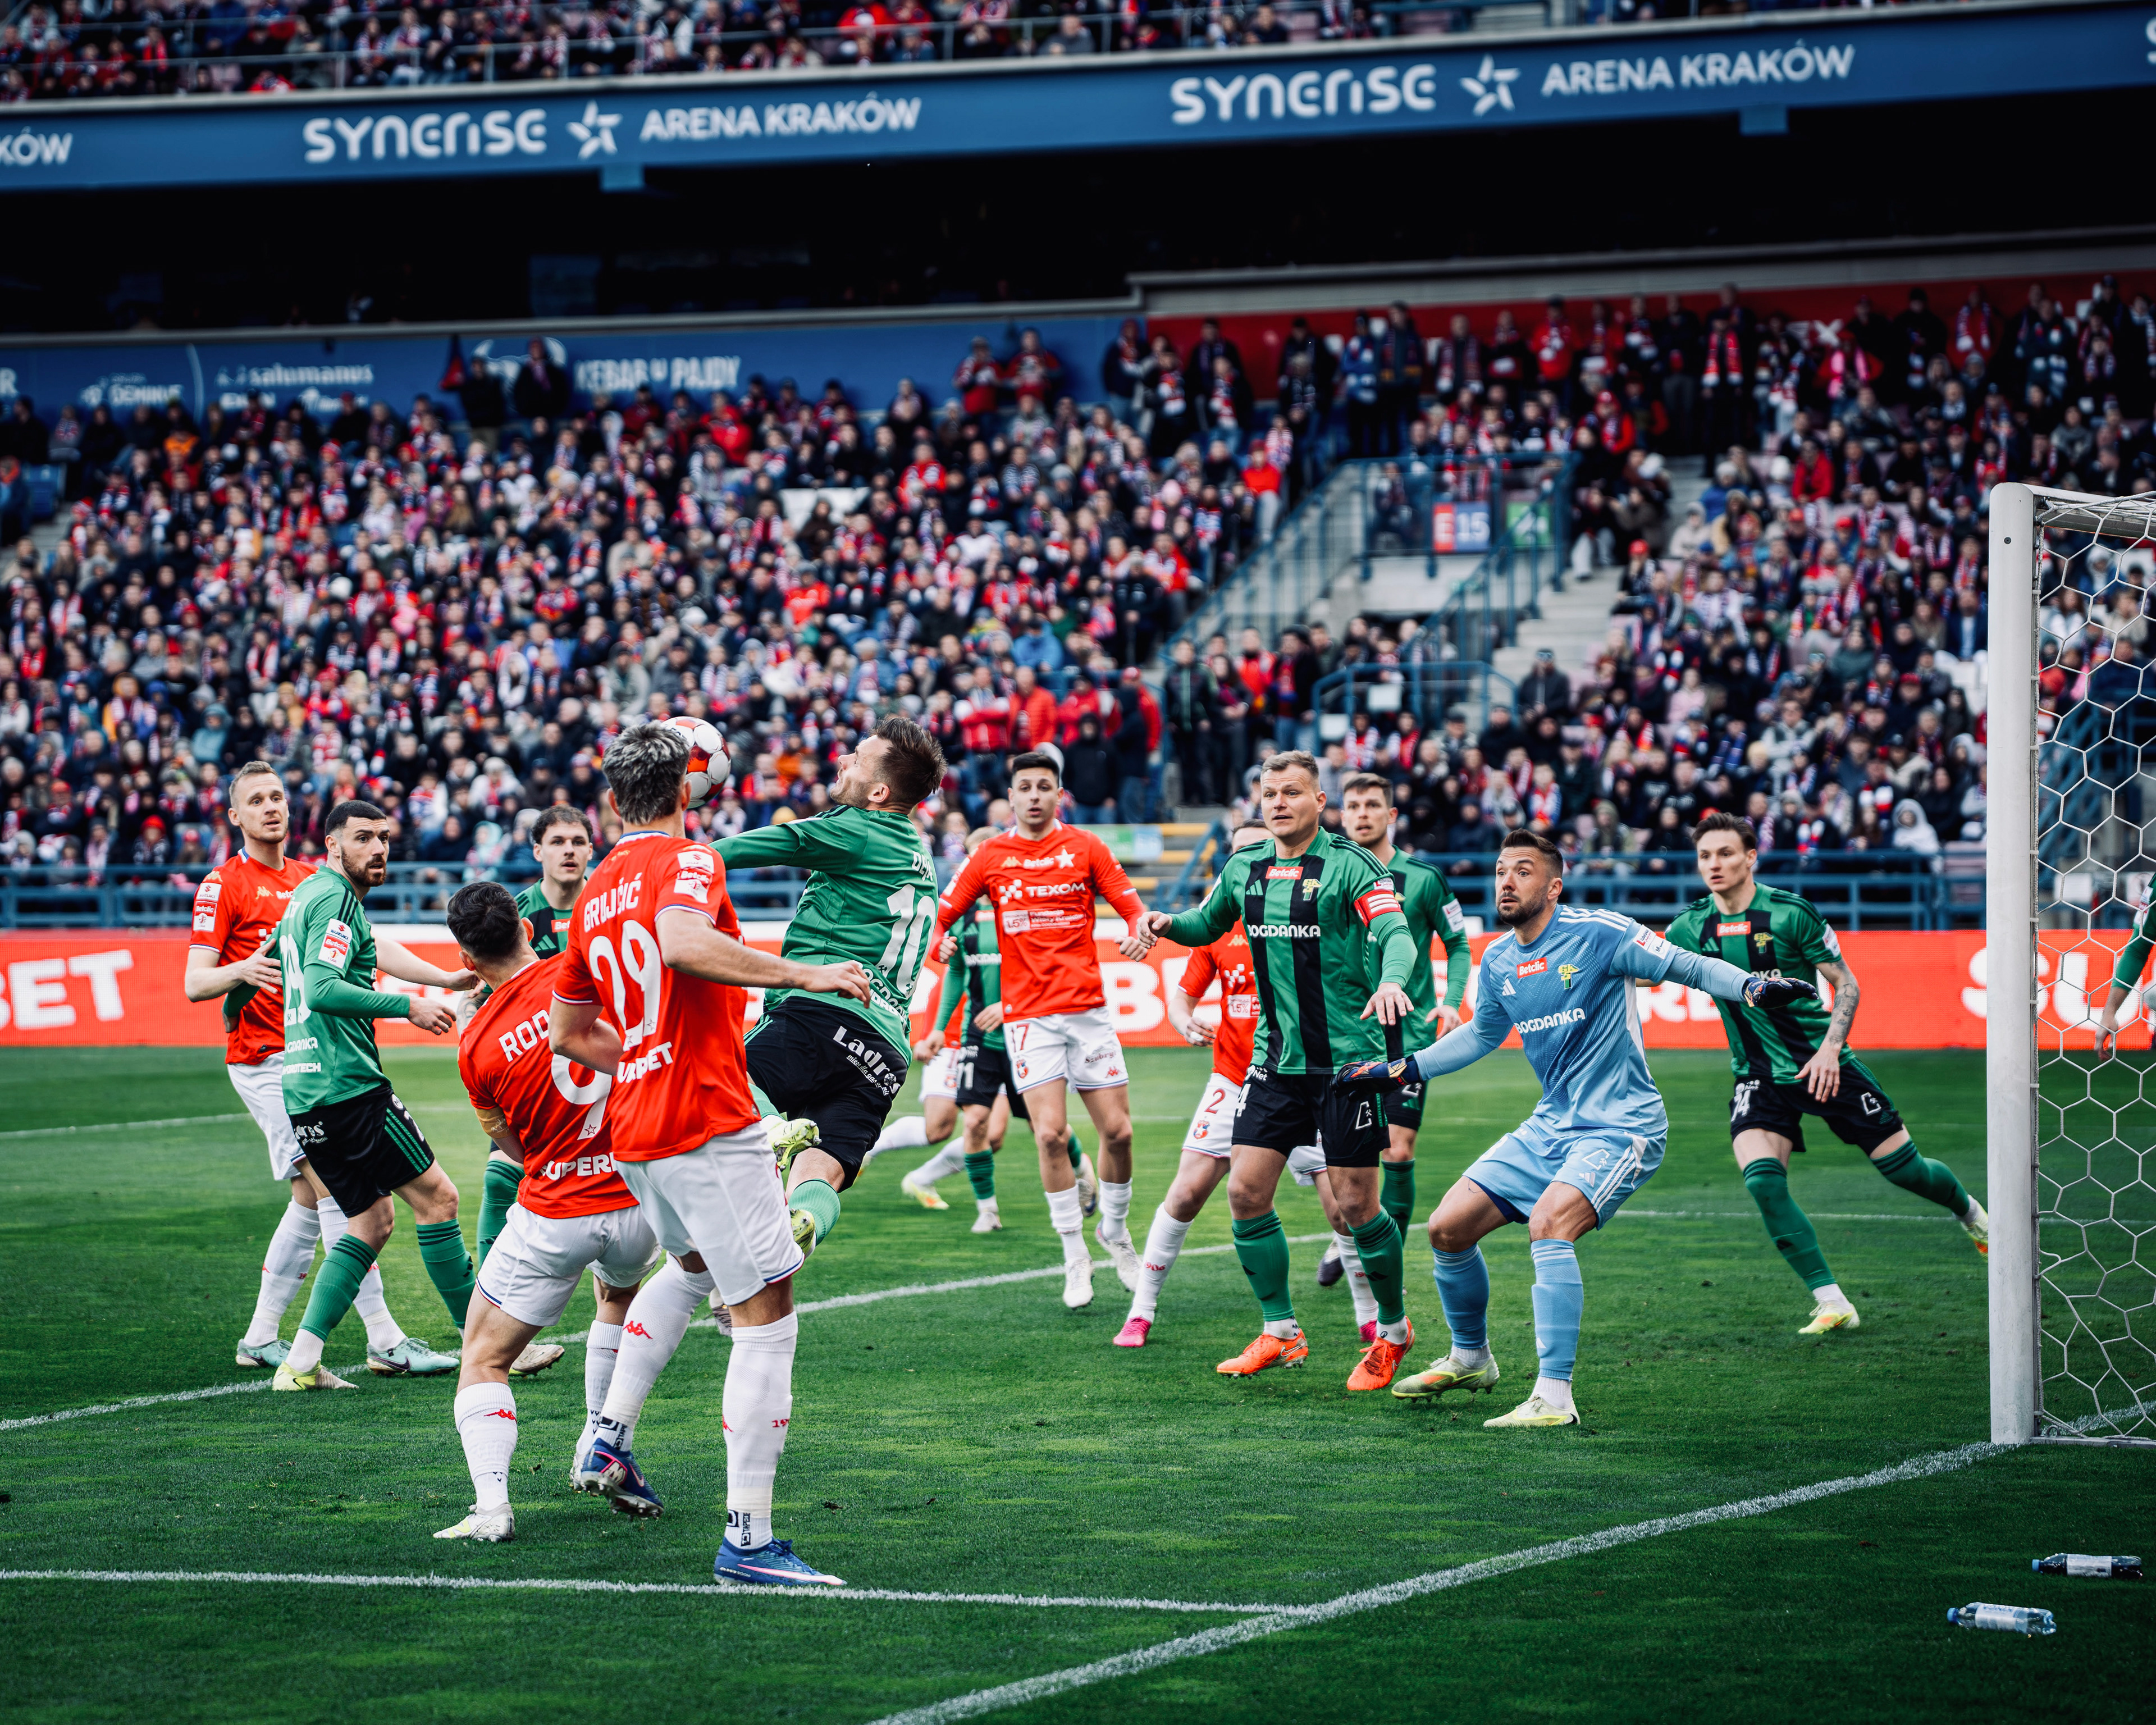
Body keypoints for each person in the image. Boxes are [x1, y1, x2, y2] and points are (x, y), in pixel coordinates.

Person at [1341, 829, 1816, 1427]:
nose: (1507, 882)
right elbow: (1482, 1035)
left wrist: (1749, 986)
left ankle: (1554, 1397)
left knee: (1550, 1223)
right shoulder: (1499, 959)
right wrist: (1399, 1070)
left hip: (1622, 1125)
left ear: (1554, 887)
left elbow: (1685, 964)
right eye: (1501, 871)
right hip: (1552, 1124)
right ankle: (1471, 1359)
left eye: (1523, 871)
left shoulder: (1601, 934)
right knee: (1447, 1228)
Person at [550, 722, 869, 1586]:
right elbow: (684, 942)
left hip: (637, 1124)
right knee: (767, 1315)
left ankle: (608, 1436)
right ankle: (749, 1542)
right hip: (702, 1119)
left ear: (613, 801)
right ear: (689, 791)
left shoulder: (594, 889)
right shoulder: (688, 860)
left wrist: (643, 1057)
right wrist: (805, 973)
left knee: (691, 1271)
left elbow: (570, 1032)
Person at [1140, 751, 1421, 1390]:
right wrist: (1168, 924)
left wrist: (1393, 981)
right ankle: (1281, 1330)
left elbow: (1396, 933)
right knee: (1244, 1193)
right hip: (1273, 1061)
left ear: (1320, 801)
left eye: (1292, 792)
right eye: (1270, 794)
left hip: (1346, 1064)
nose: (1279, 803)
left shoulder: (1353, 864)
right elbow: (1207, 923)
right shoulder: (1245, 867)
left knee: (1356, 1206)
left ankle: (1393, 1330)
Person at [1665, 814, 1988, 1334]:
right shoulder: (1689, 927)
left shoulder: (1791, 914)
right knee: (1763, 1184)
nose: (1714, 865)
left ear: (1751, 857)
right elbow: (1648, 969)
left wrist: (1831, 1051)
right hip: (1757, 1076)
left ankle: (1971, 1214)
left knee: (1907, 1172)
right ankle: (1833, 1301)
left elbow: (1847, 984)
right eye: (1705, 856)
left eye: (1725, 853)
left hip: (1825, 1065)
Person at [186, 762, 444, 1377]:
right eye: (257, 800)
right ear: (236, 816)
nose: (272, 807)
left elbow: (371, 945)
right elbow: (196, 983)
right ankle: (383, 1337)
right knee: (339, 1195)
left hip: (312, 1059)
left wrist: (443, 977)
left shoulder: (312, 879)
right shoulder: (223, 885)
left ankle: (261, 1337)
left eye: (277, 796)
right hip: (265, 1060)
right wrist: (241, 970)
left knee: (311, 1193)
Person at [433, 882, 659, 1545]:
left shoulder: (476, 1044)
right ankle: (601, 1441)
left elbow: (512, 1148)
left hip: (557, 1209)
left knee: (483, 1356)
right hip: (637, 1198)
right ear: (528, 930)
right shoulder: (585, 974)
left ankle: (492, 1509)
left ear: (468, 961)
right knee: (616, 1297)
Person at [267, 800, 479, 1391]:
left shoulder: (309, 895)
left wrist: (442, 978)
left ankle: (300, 1364)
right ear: (333, 845)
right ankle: (488, 1344)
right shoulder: (336, 899)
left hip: (304, 1094)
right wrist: (407, 1006)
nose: (378, 849)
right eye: (363, 838)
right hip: (350, 1090)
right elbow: (323, 987)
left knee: (370, 1221)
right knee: (438, 1199)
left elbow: (362, 946)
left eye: (384, 838)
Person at [715, 715, 947, 1257]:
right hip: (886, 1051)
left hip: (825, 1013)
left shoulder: (860, 827)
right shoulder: (918, 853)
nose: (842, 761)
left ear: (879, 792)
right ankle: (804, 1225)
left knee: (717, 1076)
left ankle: (768, 1131)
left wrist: (672, 863)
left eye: (857, 759)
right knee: (822, 1169)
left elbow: (770, 844)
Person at [934, 750, 1157, 1310]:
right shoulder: (989, 855)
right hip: (1029, 1017)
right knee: (1050, 1134)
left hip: (1086, 1013)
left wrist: (1139, 930)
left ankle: (1115, 1231)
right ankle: (1074, 1254)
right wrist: (940, 940)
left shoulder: (1087, 847)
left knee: (1119, 1133)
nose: (1034, 795)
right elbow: (942, 913)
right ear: (1011, 797)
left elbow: (1133, 907)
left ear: (1059, 795)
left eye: (1044, 786)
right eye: (1025, 787)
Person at [1310, 774, 1472, 1310]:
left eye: (1372, 805)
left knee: (1397, 1149)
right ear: (1340, 815)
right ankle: (1352, 1235)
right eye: (1353, 805)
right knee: (1348, 1161)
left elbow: (1458, 943)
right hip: (1346, 1037)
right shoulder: (1327, 873)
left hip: (1409, 1039)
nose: (1361, 814)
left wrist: (1451, 1000)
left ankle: (1388, 1262)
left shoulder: (1424, 879)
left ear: (1391, 815)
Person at [1116, 823, 1269, 1348]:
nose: (1247, 861)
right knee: (1185, 1193)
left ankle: (1373, 1317)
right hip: (1233, 1079)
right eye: (1238, 853)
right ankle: (1141, 1310)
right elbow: (1182, 996)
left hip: (1300, 1081)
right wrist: (1183, 1021)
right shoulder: (1216, 929)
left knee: (1347, 1205)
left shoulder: (1308, 921)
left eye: (1258, 850)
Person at [472, 804, 596, 1275]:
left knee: (643, 1181)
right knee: (500, 1180)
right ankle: (486, 1299)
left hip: (603, 1065)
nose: (569, 851)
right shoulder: (513, 914)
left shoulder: (606, 903)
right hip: (534, 1076)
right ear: (538, 851)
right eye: (558, 842)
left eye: (578, 842)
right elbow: (483, 996)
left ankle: (702, 1279)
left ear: (591, 850)